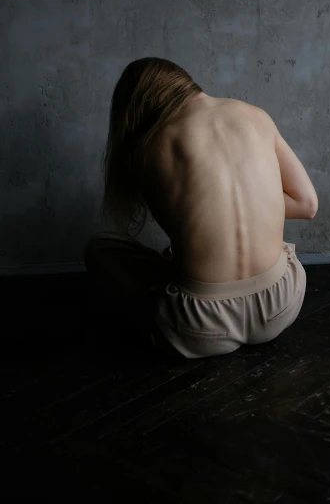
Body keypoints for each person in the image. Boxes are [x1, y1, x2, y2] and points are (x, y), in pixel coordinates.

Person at [84, 57, 318, 359]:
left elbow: (179, 234)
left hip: (198, 328)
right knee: (278, 249)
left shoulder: (152, 144)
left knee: (100, 248)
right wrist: (253, 207)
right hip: (281, 305)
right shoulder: (256, 116)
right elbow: (307, 203)